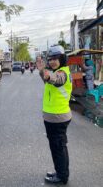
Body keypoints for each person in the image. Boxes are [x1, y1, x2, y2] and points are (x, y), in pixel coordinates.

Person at [36, 45, 72, 185]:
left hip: (58, 118)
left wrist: (45, 72)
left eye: (55, 58)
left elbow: (56, 79)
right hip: (54, 117)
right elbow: (47, 78)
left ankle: (62, 176)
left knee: (58, 148)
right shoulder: (56, 71)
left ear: (62, 59)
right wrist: (42, 71)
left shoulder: (62, 73)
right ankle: (60, 171)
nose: (52, 61)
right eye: (50, 59)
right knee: (58, 147)